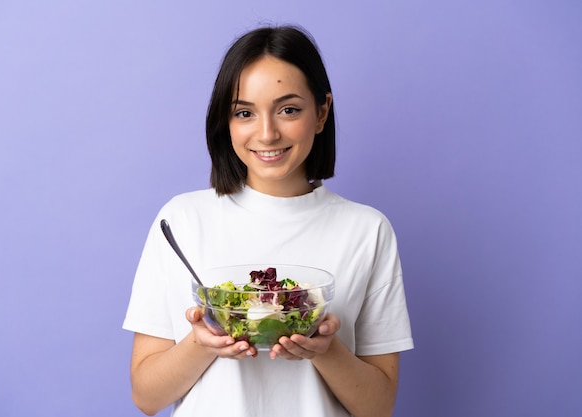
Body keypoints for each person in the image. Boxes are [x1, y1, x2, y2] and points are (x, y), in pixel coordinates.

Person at [122, 25, 413, 417]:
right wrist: (203, 343)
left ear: (322, 112)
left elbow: (377, 407)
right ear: (226, 123)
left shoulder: (367, 230)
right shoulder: (181, 220)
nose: (267, 133)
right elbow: (146, 397)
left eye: (288, 109)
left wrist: (326, 350)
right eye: (244, 112)